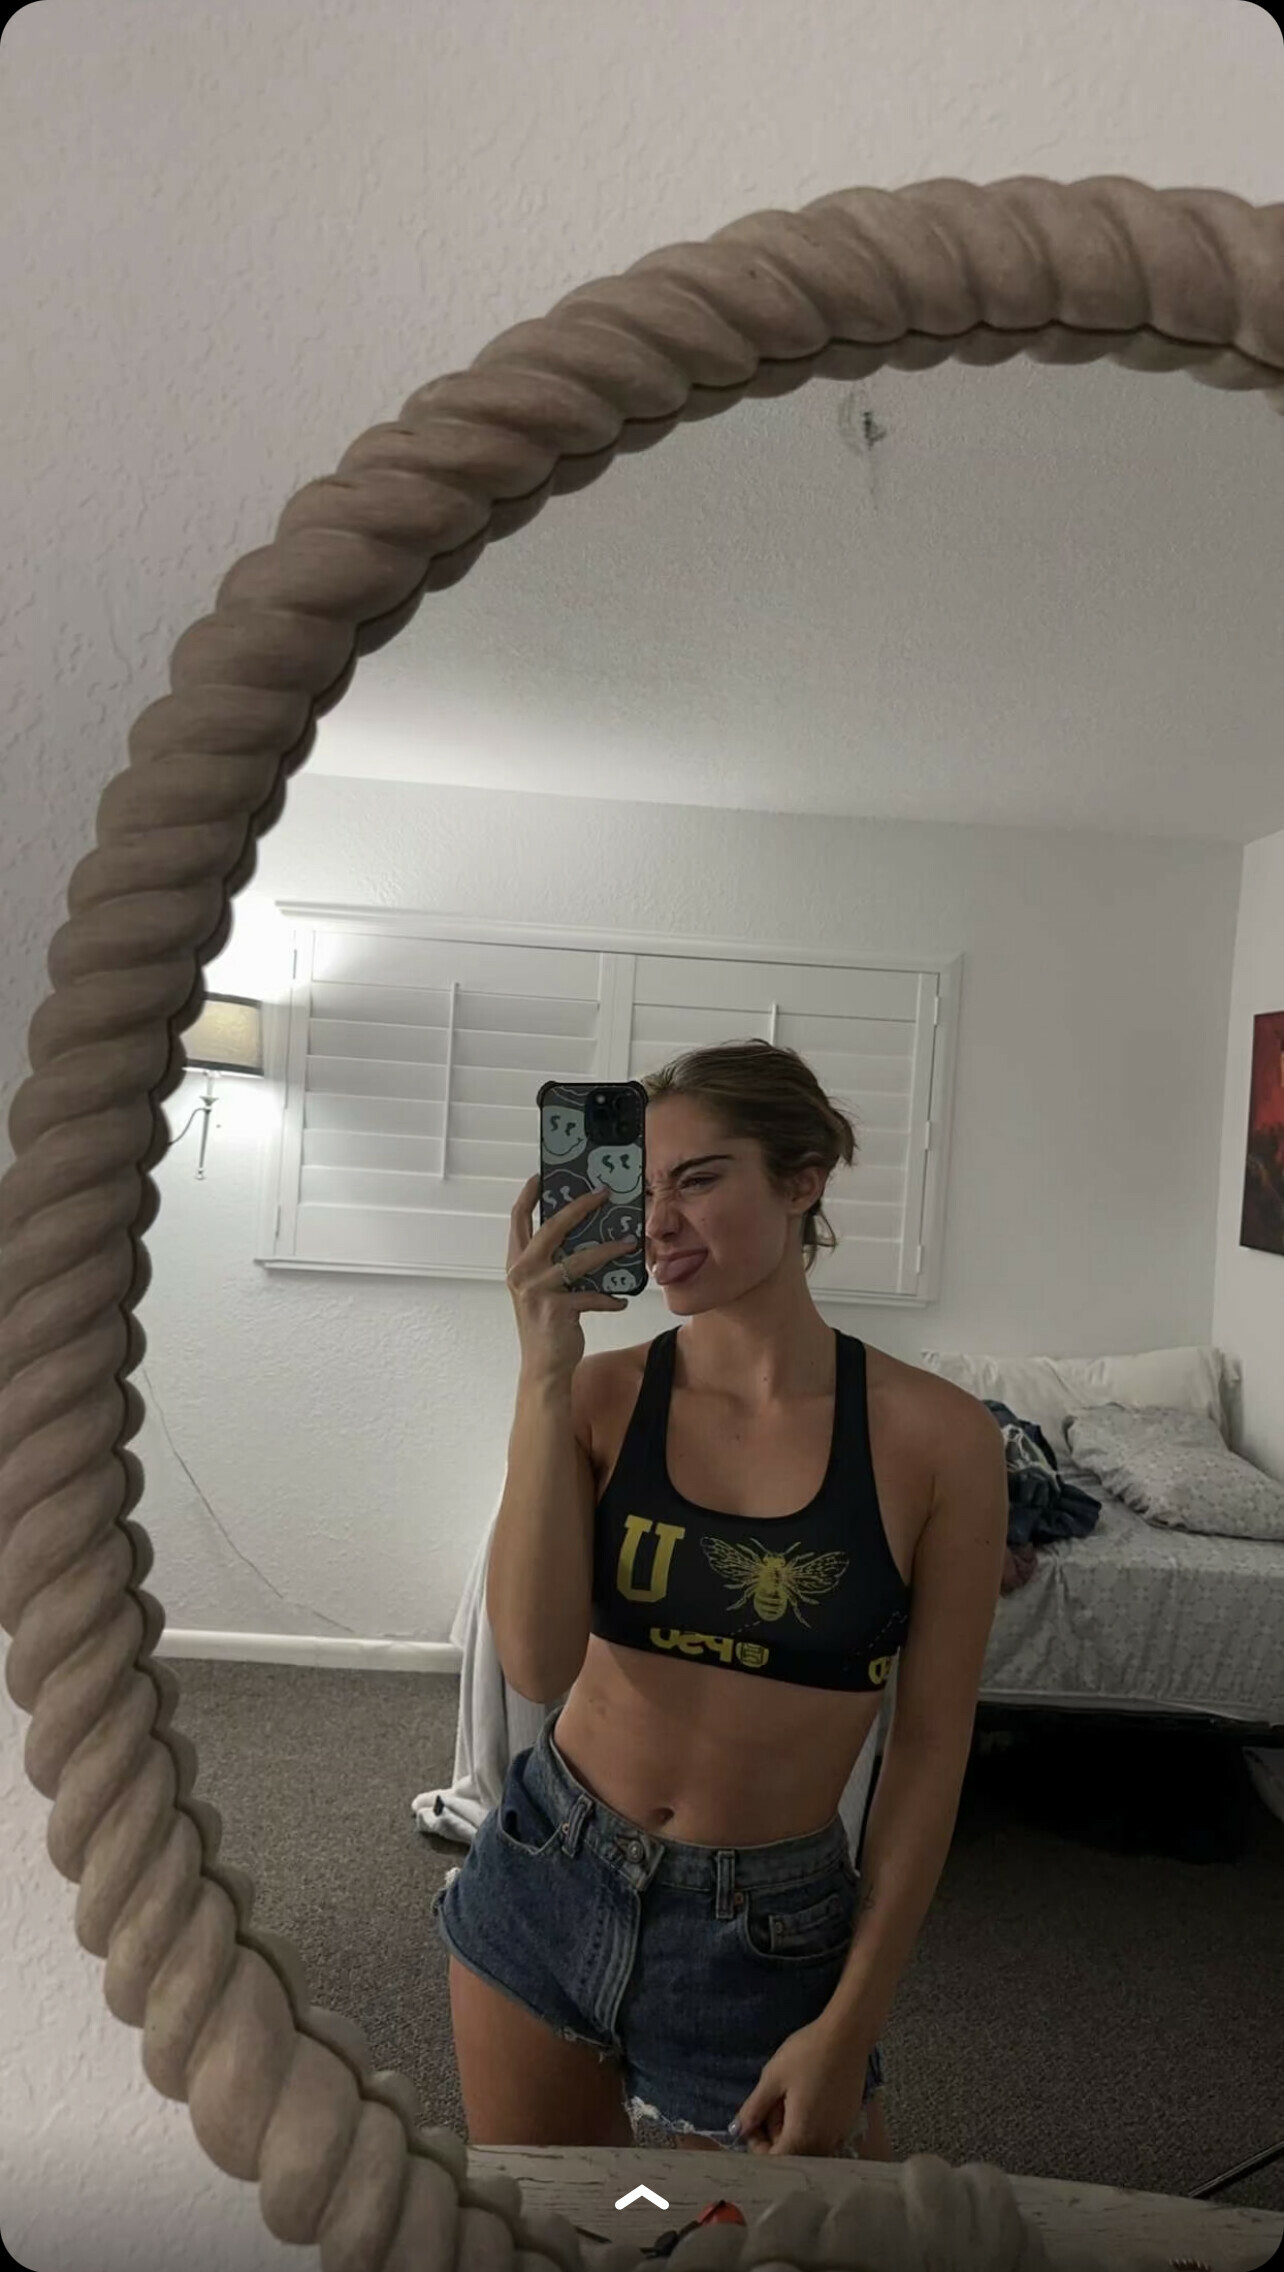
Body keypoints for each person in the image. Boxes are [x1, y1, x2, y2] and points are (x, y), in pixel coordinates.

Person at [434, 1040, 1008, 2159]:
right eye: (642, 1188)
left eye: (697, 1179)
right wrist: (543, 1371)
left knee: (748, 2232)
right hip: (549, 1872)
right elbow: (537, 1665)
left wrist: (852, 2022)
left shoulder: (940, 1441)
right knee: (584, 2218)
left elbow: (930, 1751)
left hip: (764, 1937)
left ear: (803, 1181)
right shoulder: (599, 1397)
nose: (657, 1224)